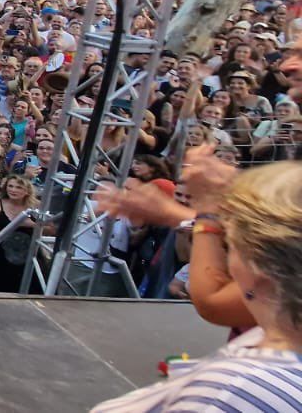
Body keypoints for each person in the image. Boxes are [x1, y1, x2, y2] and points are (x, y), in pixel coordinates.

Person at [92, 162, 302, 412]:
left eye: (231, 244)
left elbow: (213, 301)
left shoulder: (233, 390)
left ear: (258, 266)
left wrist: (207, 213)